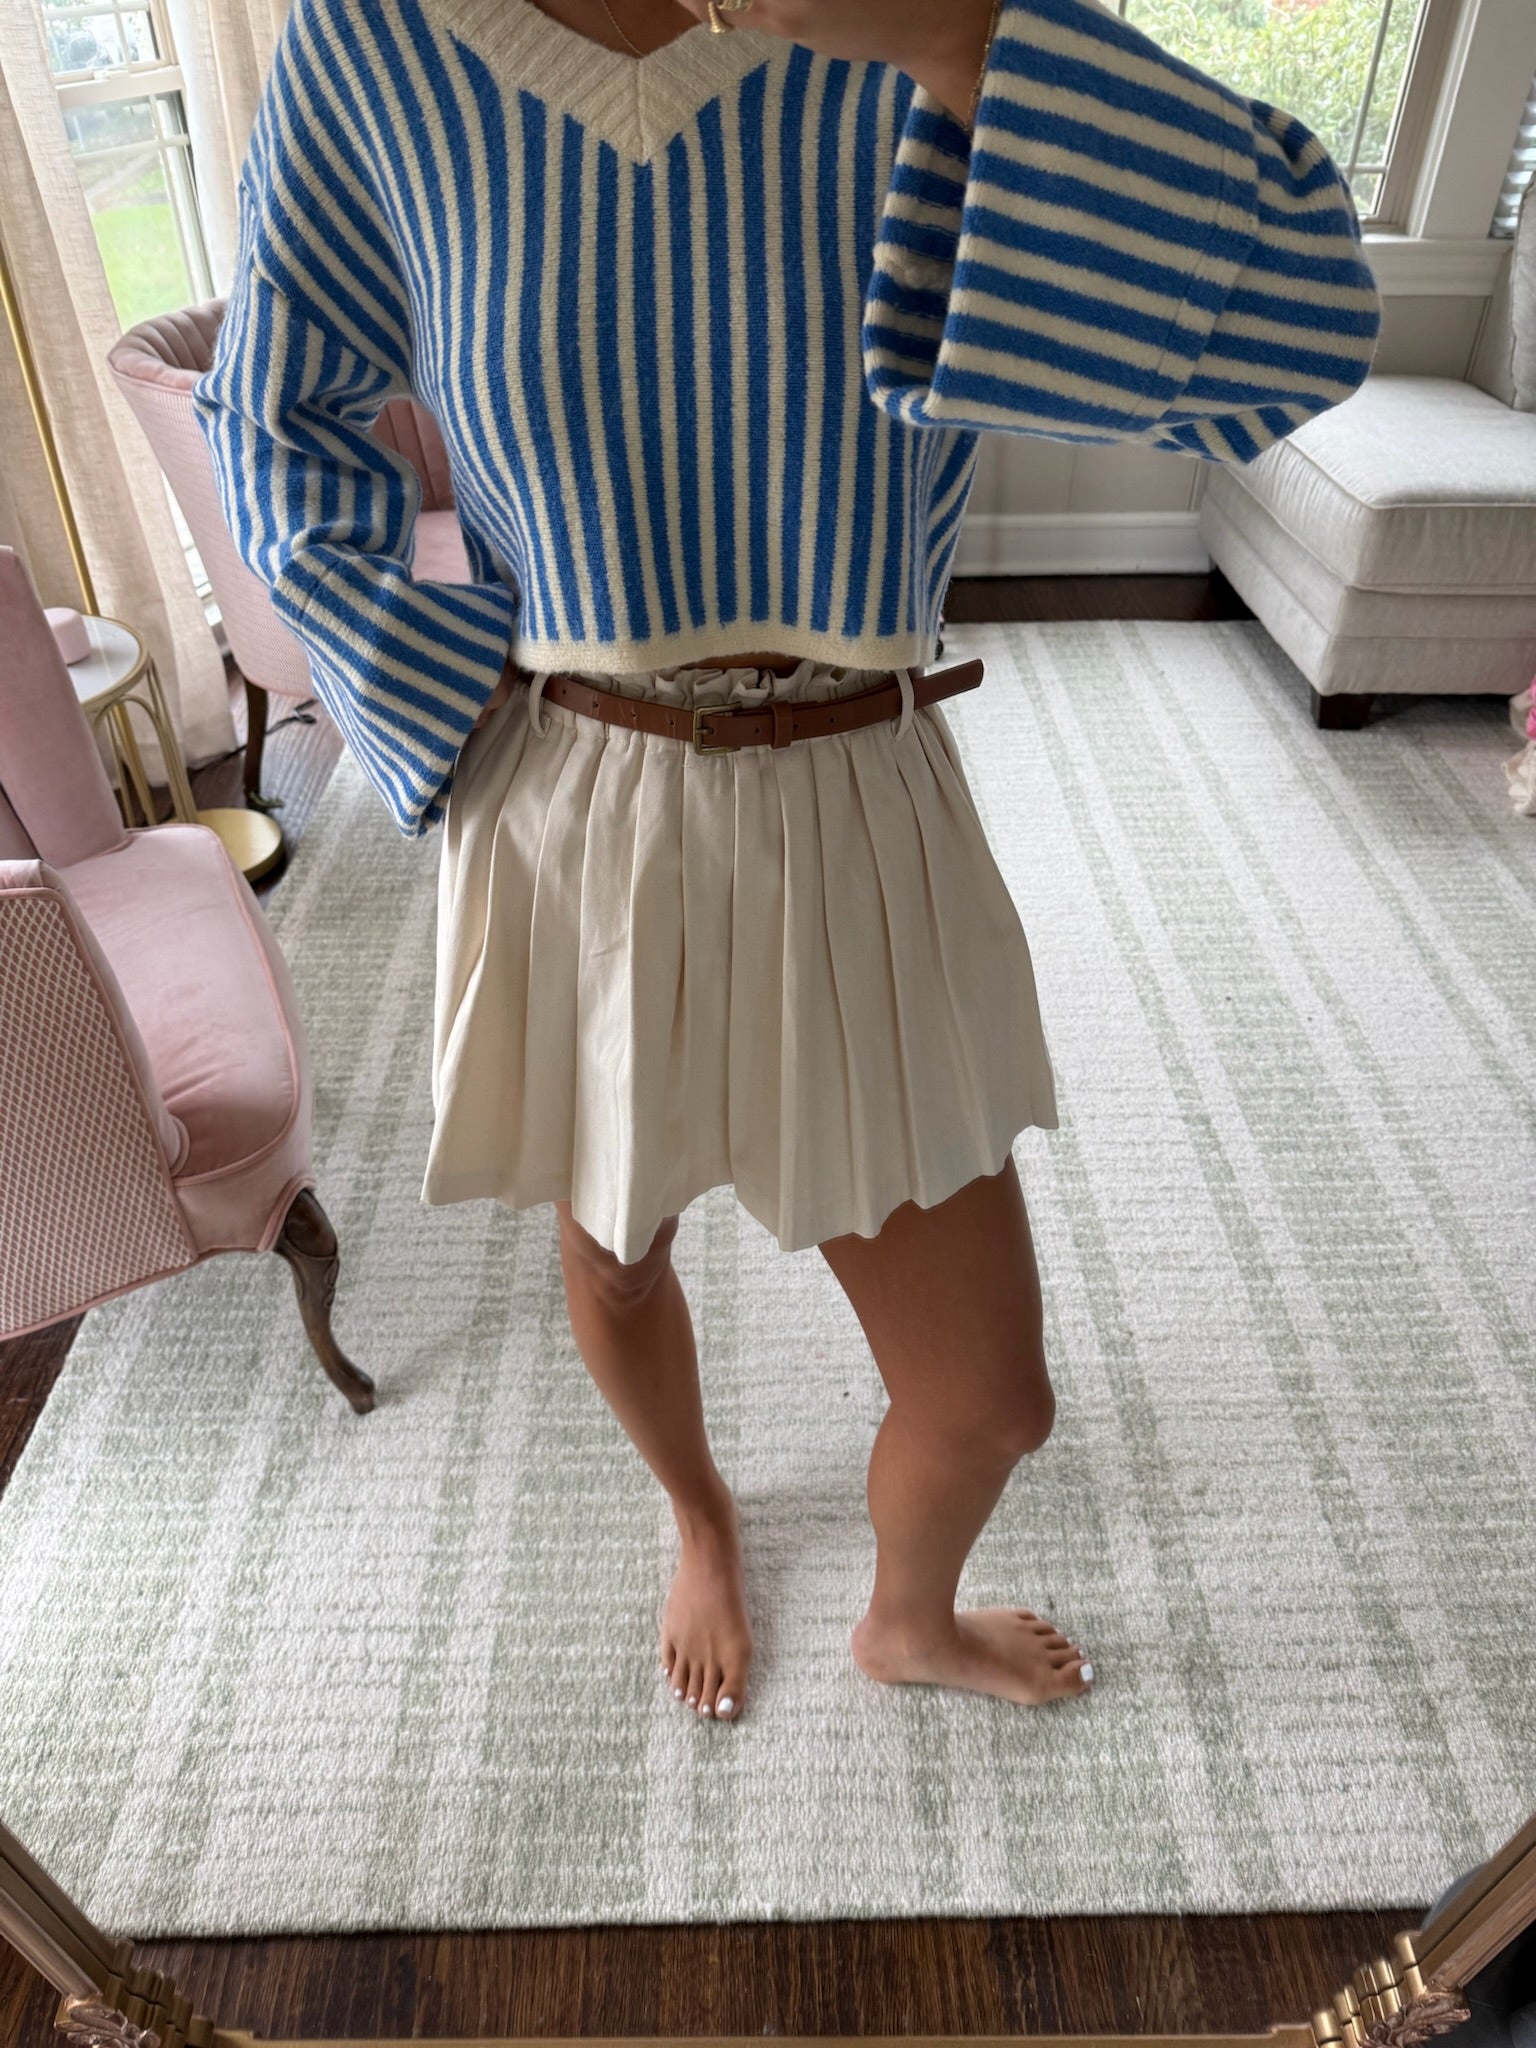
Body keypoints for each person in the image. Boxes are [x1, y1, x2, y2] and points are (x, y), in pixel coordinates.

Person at [192, 0, 1381, 1728]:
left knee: (990, 1399)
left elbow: (1304, 320)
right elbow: (268, 415)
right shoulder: (374, 40)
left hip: (857, 788)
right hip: (579, 790)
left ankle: (909, 1616)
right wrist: (430, 682)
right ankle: (699, 1513)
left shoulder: (927, 20)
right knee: (617, 1252)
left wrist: (962, 38)